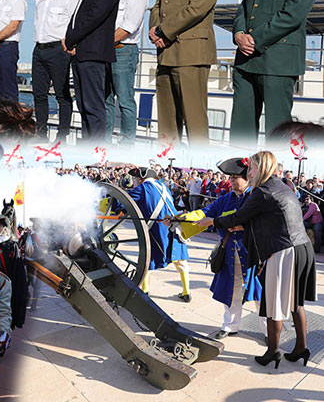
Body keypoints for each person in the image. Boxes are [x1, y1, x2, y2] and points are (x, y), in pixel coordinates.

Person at [215, 150, 316, 369]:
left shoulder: (262, 191)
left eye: (250, 168)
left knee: (273, 304)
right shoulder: (282, 186)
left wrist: (215, 221)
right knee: (295, 303)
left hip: (284, 251)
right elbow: (272, 217)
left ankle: (272, 352)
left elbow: (238, 216)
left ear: (260, 168)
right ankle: (301, 347)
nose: (248, 172)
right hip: (302, 248)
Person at [230, 0, 320, 140]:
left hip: (278, 63)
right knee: (240, 131)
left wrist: (253, 40)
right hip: (246, 61)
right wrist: (239, 34)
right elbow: (244, 9)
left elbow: (293, 14)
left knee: (277, 132)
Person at [148, 0, 222, 143]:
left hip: (191, 53)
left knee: (194, 119)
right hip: (166, 52)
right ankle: (167, 165)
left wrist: (163, 30)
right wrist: (154, 30)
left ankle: (198, 166)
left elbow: (197, 7)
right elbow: (157, 7)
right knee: (167, 122)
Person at [177, 157, 262, 336]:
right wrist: (181, 218)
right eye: (230, 177)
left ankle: (269, 331)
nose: (230, 180)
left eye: (234, 177)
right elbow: (205, 213)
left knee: (260, 294)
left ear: (246, 178)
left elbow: (264, 222)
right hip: (230, 252)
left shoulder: (256, 197)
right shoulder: (226, 198)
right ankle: (230, 326)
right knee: (231, 290)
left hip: (253, 253)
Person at [62, 0, 120, 141]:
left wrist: (70, 39)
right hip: (83, 54)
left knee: (93, 108)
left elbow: (94, 16)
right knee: (84, 106)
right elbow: (80, 16)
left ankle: (95, 155)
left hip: (94, 55)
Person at [127, 168, 191, 302]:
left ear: (140, 179)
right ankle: (186, 292)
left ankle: (145, 291)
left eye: (134, 180)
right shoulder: (163, 187)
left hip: (158, 229)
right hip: (174, 227)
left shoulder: (143, 187)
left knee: (147, 260)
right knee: (180, 261)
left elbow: (125, 201)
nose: (133, 183)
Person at [31, 0, 78, 140]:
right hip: (39, 49)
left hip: (58, 50)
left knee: (62, 94)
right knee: (39, 94)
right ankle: (41, 134)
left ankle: (62, 136)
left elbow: (75, 24)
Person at [105, 0, 149, 144]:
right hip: (105, 51)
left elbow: (128, 26)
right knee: (106, 101)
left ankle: (126, 144)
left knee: (125, 100)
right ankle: (104, 144)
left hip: (123, 50)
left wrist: (102, 44)